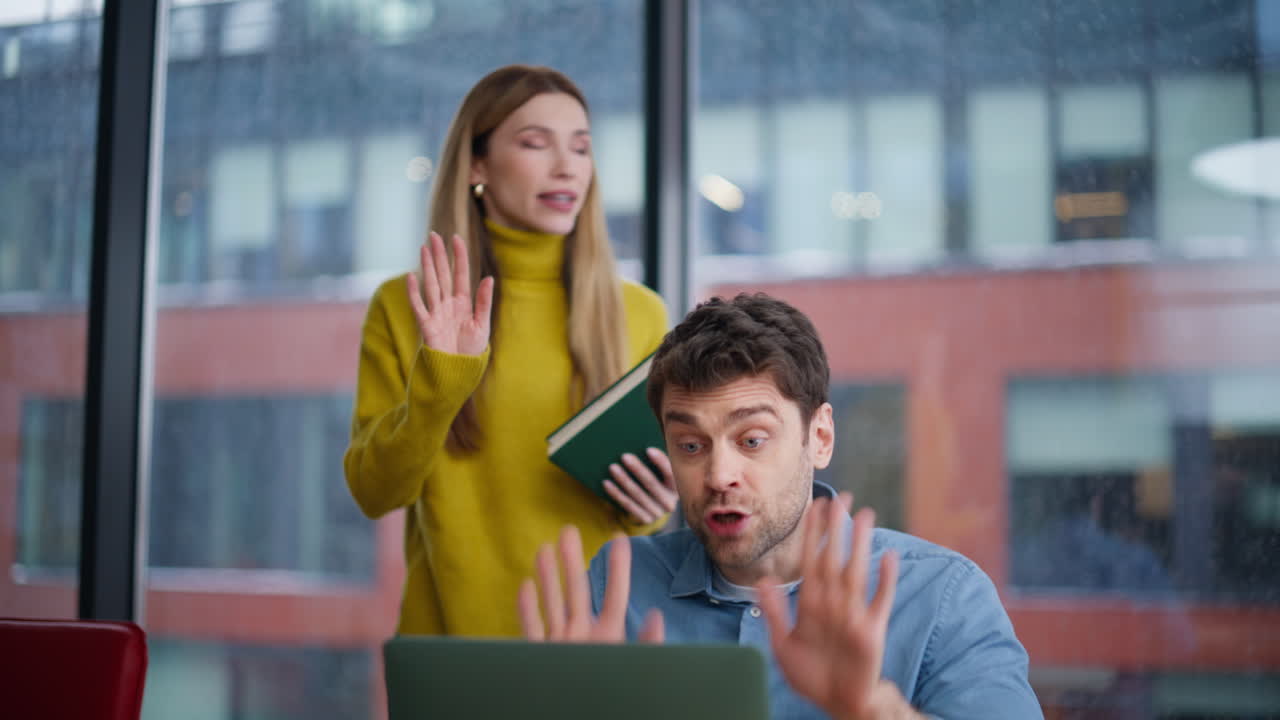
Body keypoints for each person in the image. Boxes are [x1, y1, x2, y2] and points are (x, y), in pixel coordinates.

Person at [518, 293, 1043, 719]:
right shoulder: (617, 588)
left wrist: (871, 709)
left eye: (752, 440)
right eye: (691, 446)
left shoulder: (944, 597)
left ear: (820, 437)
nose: (718, 475)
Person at [344, 65, 679, 637]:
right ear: (477, 165)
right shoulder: (406, 307)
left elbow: (645, 521)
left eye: (581, 147)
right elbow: (376, 493)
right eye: (535, 143)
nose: (567, 166)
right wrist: (443, 379)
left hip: (594, 651)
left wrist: (655, 504)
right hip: (452, 651)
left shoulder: (640, 313)